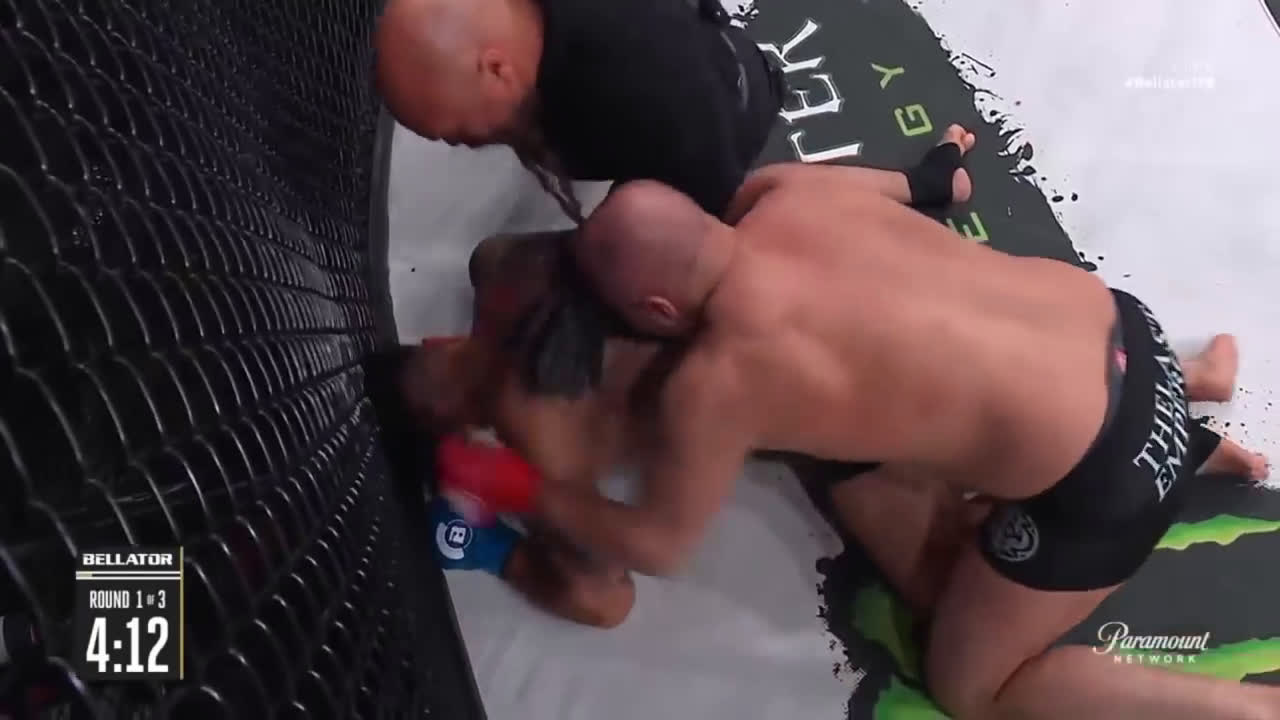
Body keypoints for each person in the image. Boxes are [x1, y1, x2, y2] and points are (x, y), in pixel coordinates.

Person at [436, 125, 1280, 718]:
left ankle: (1242, 710)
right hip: (1128, 333)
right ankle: (1196, 393)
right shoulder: (783, 190)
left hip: (1114, 471)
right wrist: (943, 161)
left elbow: (659, 544)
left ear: (655, 311)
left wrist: (515, 484)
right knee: (917, 414)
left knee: (972, 690)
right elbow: (921, 188)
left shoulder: (722, 379)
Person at [374, 0, 785, 223]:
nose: (463, 144)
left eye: (460, 133)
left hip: (733, 104)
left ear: (497, 70)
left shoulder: (640, 94)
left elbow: (712, 225)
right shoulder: (526, 33)